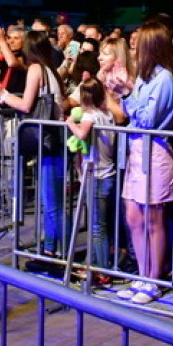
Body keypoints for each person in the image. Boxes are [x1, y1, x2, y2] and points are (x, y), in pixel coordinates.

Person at [104, 20, 173, 305]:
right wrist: (124, 92)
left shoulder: (164, 80)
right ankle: (142, 273)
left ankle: (154, 278)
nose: (133, 48)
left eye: (138, 44)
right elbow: (130, 112)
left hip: (156, 152)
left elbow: (147, 119)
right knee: (133, 216)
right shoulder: (145, 79)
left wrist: (126, 92)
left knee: (153, 218)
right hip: (136, 151)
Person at [0, 30, 66, 261]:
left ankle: (59, 254)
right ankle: (51, 250)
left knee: (51, 203)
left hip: (50, 141)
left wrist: (2, 93)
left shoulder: (36, 69)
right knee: (52, 201)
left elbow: (26, 104)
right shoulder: (50, 71)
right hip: (55, 139)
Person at [65, 77, 117, 284]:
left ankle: (102, 271)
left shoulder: (91, 115)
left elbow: (82, 132)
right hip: (108, 172)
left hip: (97, 174)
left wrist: (70, 122)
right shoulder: (109, 114)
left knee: (97, 227)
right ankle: (94, 266)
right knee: (101, 224)